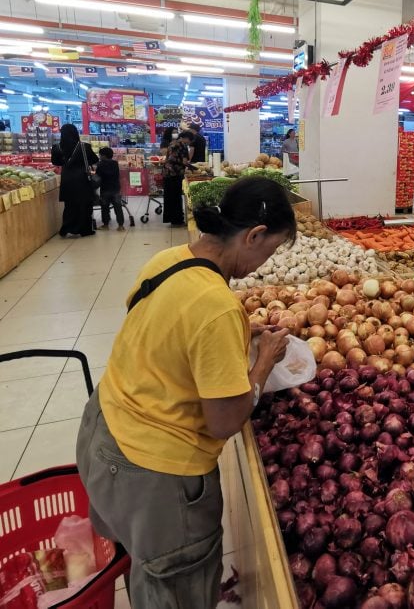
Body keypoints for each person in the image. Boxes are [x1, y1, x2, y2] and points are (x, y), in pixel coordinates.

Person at [76, 177, 296, 609]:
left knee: (146, 567)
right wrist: (263, 360)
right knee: (176, 591)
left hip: (104, 433)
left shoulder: (169, 259)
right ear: (253, 235)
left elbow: (162, 327)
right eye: (267, 252)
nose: (261, 266)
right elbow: (225, 421)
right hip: (156, 476)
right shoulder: (216, 304)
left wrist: (237, 336)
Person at [51, 123, 99, 238]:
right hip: (82, 178)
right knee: (84, 204)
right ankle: (84, 229)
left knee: (70, 205)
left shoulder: (57, 147)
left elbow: (55, 162)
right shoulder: (84, 147)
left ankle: (66, 228)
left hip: (67, 179)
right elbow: (94, 159)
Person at [162, 136, 191, 227]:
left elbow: (168, 158)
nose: (190, 142)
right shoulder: (183, 146)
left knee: (169, 197)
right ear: (186, 138)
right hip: (175, 174)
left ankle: (172, 219)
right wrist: (191, 167)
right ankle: (177, 220)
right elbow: (184, 161)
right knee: (176, 197)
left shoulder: (172, 143)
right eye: (190, 140)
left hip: (167, 173)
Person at [95, 147, 125, 231]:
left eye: (100, 155)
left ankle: (105, 225)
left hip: (105, 189)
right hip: (116, 188)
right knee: (118, 207)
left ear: (103, 156)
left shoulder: (100, 164)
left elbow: (98, 176)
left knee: (105, 208)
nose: (99, 156)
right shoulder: (115, 163)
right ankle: (121, 225)